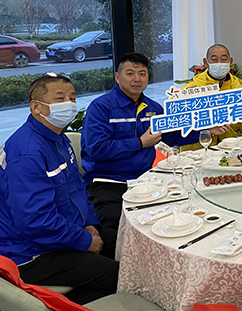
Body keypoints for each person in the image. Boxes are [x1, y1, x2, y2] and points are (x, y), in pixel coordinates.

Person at [0, 73, 118, 304]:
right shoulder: (27, 153)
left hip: (62, 230)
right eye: (60, 98)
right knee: (114, 275)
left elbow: (76, 187)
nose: (68, 104)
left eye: (72, 98)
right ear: (36, 107)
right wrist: (84, 241)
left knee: (126, 246)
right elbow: (35, 221)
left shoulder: (56, 137)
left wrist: (88, 223)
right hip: (29, 250)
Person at [82, 53, 225, 230]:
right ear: (117, 77)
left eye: (142, 74)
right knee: (118, 225)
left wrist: (206, 131)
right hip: (109, 183)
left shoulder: (154, 108)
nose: (137, 79)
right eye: (130, 73)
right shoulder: (100, 107)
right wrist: (140, 143)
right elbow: (97, 149)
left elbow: (173, 137)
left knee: (180, 213)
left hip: (146, 180)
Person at [183, 43, 242, 144]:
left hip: (229, 146)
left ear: (230, 62)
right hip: (198, 148)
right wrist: (207, 128)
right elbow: (180, 128)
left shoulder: (239, 90)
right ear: (206, 62)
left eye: (223, 59)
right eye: (214, 59)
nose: (219, 63)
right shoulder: (192, 89)